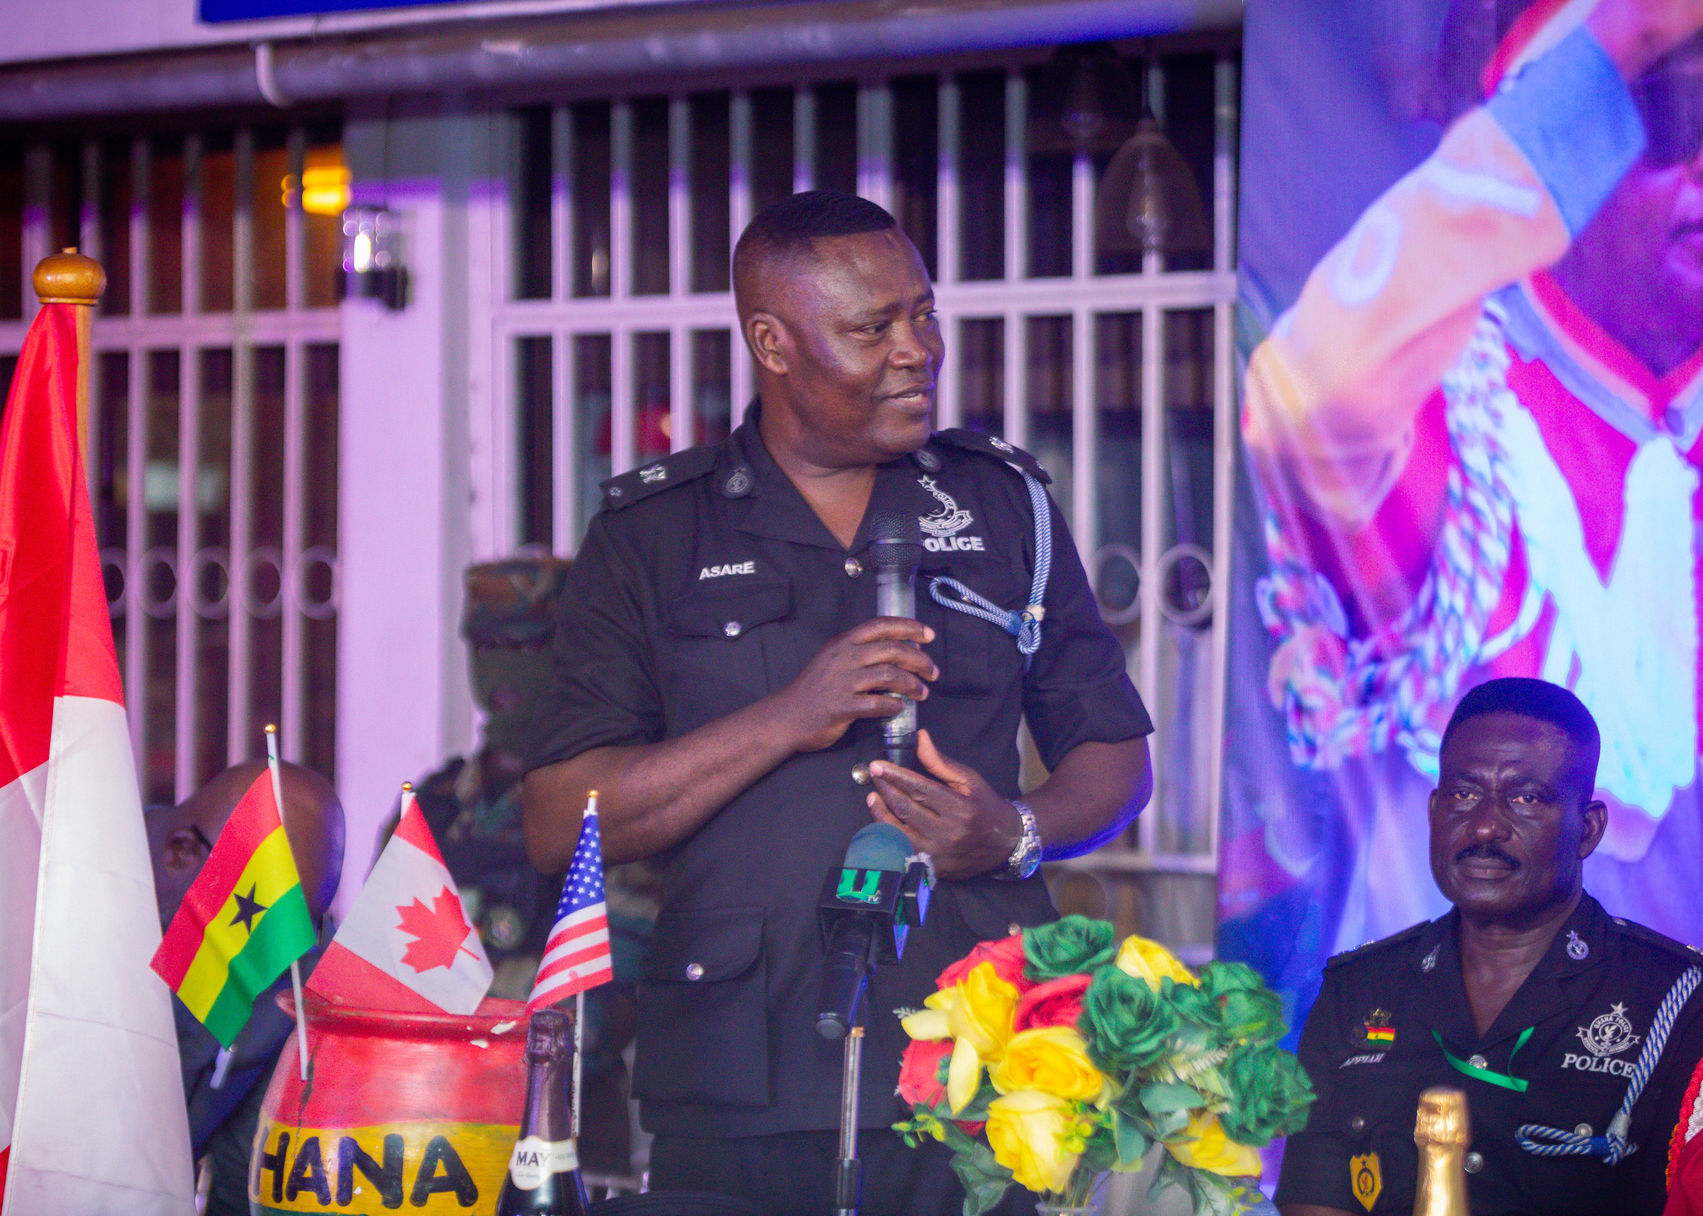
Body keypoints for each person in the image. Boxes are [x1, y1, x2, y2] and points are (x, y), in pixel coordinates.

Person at [522, 189, 1154, 1216]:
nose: (917, 350)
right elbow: (560, 820)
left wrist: (1014, 831)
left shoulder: (1001, 503)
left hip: (977, 1066)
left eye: (922, 313)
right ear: (771, 343)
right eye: (872, 329)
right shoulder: (654, 533)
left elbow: (1114, 755)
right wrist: (787, 715)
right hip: (739, 1072)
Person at [1239, 0, 1703, 954]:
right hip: (1447, 1022)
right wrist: (1616, 45)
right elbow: (1307, 389)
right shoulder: (1447, 415)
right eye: (1673, 118)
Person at [1274, 677, 1703, 1216]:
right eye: (1464, 794)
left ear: (1587, 830)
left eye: (1525, 798)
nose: (1484, 827)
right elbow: (1316, 1200)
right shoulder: (1357, 991)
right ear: (1434, 810)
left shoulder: (1677, 1003)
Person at [404, 554, 653, 1177]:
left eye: (529, 647)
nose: (504, 670)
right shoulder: (433, 808)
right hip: (428, 1133)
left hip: (562, 1141)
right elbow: (382, 974)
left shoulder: (611, 807)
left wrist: (462, 999)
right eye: (487, 647)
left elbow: (598, 1014)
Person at [147, 760, 345, 1216]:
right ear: (180, 853)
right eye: (261, 927)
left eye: (301, 929)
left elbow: (245, 1177)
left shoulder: (295, 968)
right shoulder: (48, 892)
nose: (276, 959)